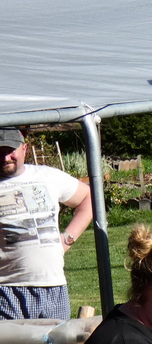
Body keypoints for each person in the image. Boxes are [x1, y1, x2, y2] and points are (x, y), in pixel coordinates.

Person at [0, 127, 92, 320]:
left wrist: (67, 239)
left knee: (56, 340)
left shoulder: (48, 176)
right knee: (11, 341)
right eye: (0, 151)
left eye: (10, 150)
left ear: (24, 148)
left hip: (53, 287)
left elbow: (88, 198)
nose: (5, 158)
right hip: (7, 290)